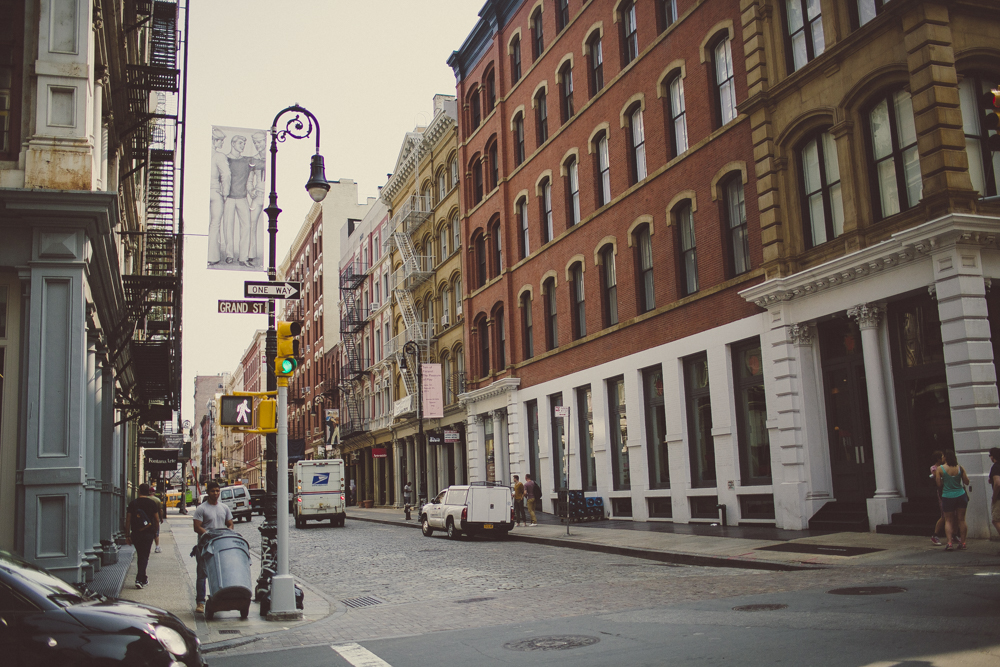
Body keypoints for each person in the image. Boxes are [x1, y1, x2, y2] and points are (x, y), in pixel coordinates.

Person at [191, 480, 234, 613]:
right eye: (213, 491)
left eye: (217, 491)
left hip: (220, 546)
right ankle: (200, 602)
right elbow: (197, 527)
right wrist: (209, 534)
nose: (215, 493)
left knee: (221, 573)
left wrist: (229, 532)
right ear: (208, 492)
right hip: (205, 546)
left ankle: (220, 598)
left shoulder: (224, 508)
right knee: (202, 574)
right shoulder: (201, 509)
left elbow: (230, 523)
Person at [222, 135, 253, 266]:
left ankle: (243, 257)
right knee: (228, 226)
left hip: (242, 197)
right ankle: (229, 255)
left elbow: (252, 175)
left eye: (244, 144)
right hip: (228, 197)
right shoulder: (225, 159)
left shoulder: (246, 161)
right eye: (240, 143)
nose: (242, 146)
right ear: (233, 143)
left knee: (246, 226)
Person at [125, 483, 161, 589]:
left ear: (139, 491)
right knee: (144, 556)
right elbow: (157, 520)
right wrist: (155, 532)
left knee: (141, 555)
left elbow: (128, 520)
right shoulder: (152, 503)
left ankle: (143, 578)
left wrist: (127, 535)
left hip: (136, 533)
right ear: (149, 492)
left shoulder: (133, 503)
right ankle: (139, 579)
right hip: (148, 534)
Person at [935, 449, 970, 551]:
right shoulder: (960, 468)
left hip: (948, 495)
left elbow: (939, 484)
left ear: (945, 457)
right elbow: (966, 482)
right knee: (962, 520)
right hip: (961, 495)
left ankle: (949, 543)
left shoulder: (940, 469)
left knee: (949, 520)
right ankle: (963, 543)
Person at [208, 128, 230, 266]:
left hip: (205, 192)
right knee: (215, 224)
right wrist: (225, 192)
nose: (222, 143)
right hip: (216, 192)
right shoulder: (219, 156)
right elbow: (226, 175)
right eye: (221, 140)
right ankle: (213, 256)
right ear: (215, 140)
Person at [929, 450, 946, 546]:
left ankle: (954, 534)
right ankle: (935, 535)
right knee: (944, 515)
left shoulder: (945, 466)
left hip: (948, 490)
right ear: (938, 458)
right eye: (942, 456)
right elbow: (938, 479)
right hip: (942, 492)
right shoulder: (934, 468)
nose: (944, 458)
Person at [989, 447, 1000, 552]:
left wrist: (994, 496)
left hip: (999, 498)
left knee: (996, 520)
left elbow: (997, 483)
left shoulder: (995, 467)